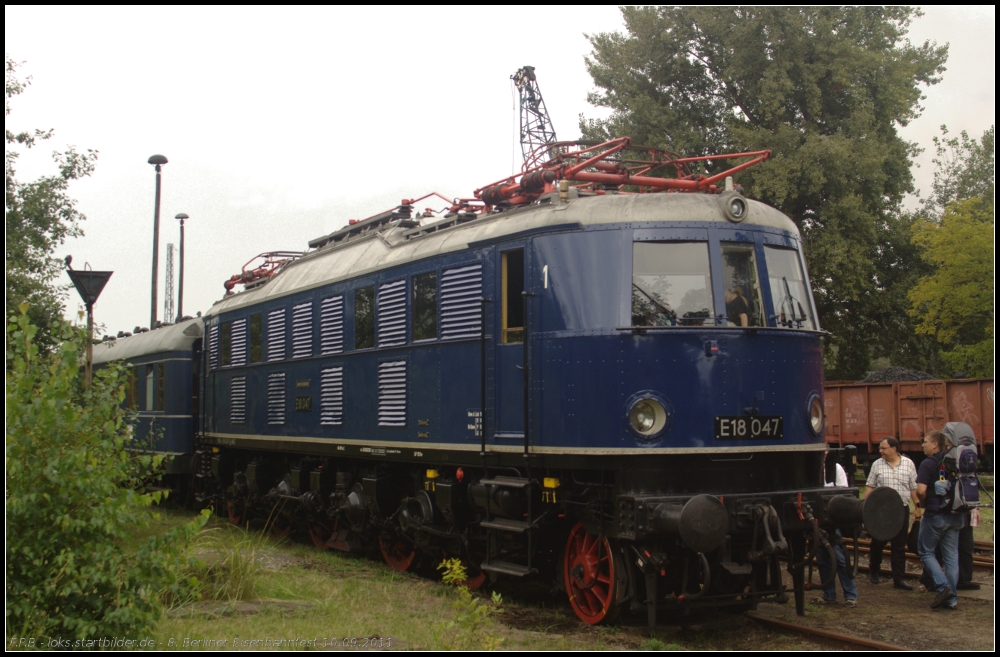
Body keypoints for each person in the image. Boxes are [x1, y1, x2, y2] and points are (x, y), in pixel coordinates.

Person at [916, 430, 963, 610]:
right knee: (951, 557)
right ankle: (951, 600)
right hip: (955, 515)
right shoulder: (952, 461)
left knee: (926, 551)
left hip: (935, 516)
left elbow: (921, 490)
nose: (922, 445)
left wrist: (923, 503)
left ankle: (943, 588)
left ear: (935, 444)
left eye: (925, 442)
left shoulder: (928, 463)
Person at [864, 437, 919, 589]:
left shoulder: (908, 464)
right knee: (878, 542)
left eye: (883, 448)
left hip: (901, 510)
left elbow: (913, 487)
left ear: (894, 449)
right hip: (882, 511)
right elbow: (870, 486)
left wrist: (917, 507)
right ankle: (874, 570)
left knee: (899, 545)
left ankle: (899, 579)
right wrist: (863, 507)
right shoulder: (877, 465)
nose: (880, 451)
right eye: (880, 448)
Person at [813, 457, 858, 607]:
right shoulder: (809, 468)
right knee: (823, 559)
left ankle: (850, 595)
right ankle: (829, 594)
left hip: (831, 520)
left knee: (839, 558)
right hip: (816, 520)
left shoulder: (836, 468)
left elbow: (842, 491)